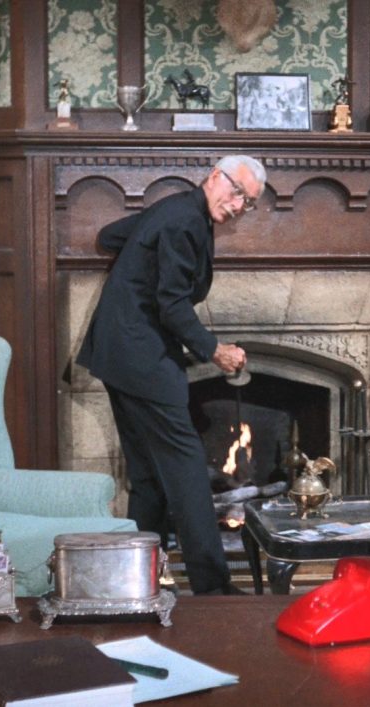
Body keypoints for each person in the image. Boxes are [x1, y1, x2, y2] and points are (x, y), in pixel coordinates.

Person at [77, 155, 266, 595]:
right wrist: (215, 350)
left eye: (249, 202)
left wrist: (141, 257)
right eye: (237, 191)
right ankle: (213, 589)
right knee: (188, 477)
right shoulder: (185, 220)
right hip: (141, 357)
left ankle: (138, 581)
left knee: (147, 476)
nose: (239, 205)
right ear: (215, 176)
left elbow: (111, 235)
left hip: (118, 353)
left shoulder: (175, 209)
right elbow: (173, 304)